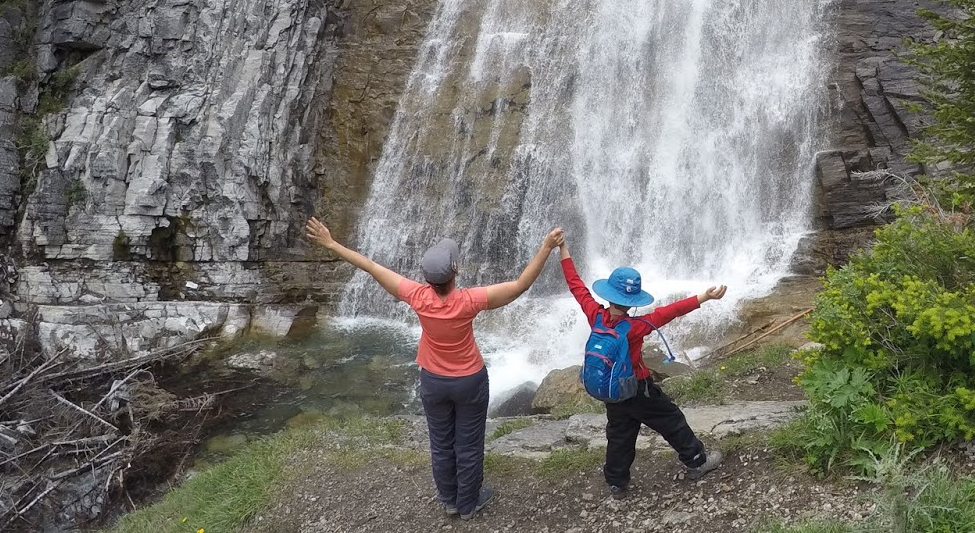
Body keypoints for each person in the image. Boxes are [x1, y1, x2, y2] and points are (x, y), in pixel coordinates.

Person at [304, 217, 563, 519]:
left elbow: (371, 266)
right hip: (469, 381)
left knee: (441, 444)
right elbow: (520, 286)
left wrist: (331, 243)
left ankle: (449, 500)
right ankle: (469, 503)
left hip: (434, 381)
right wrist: (546, 247)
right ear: (455, 272)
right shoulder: (469, 301)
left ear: (427, 278)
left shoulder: (416, 296)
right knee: (468, 444)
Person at [556, 234, 726, 498]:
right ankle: (696, 461)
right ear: (632, 302)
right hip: (637, 388)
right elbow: (669, 312)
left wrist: (563, 249)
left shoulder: (595, 315)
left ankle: (616, 483)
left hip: (613, 391)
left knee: (619, 435)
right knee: (671, 420)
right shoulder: (636, 326)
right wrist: (703, 297)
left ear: (609, 295)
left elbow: (576, 286)